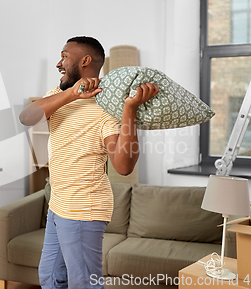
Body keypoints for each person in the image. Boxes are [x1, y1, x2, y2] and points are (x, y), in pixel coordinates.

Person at [19, 36, 158, 289]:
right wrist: (72, 94)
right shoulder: (59, 95)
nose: (59, 63)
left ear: (84, 61)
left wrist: (129, 110)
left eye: (64, 56)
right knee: (50, 278)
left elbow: (123, 166)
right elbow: (27, 118)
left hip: (84, 209)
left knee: (84, 284)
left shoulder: (107, 108)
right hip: (59, 204)